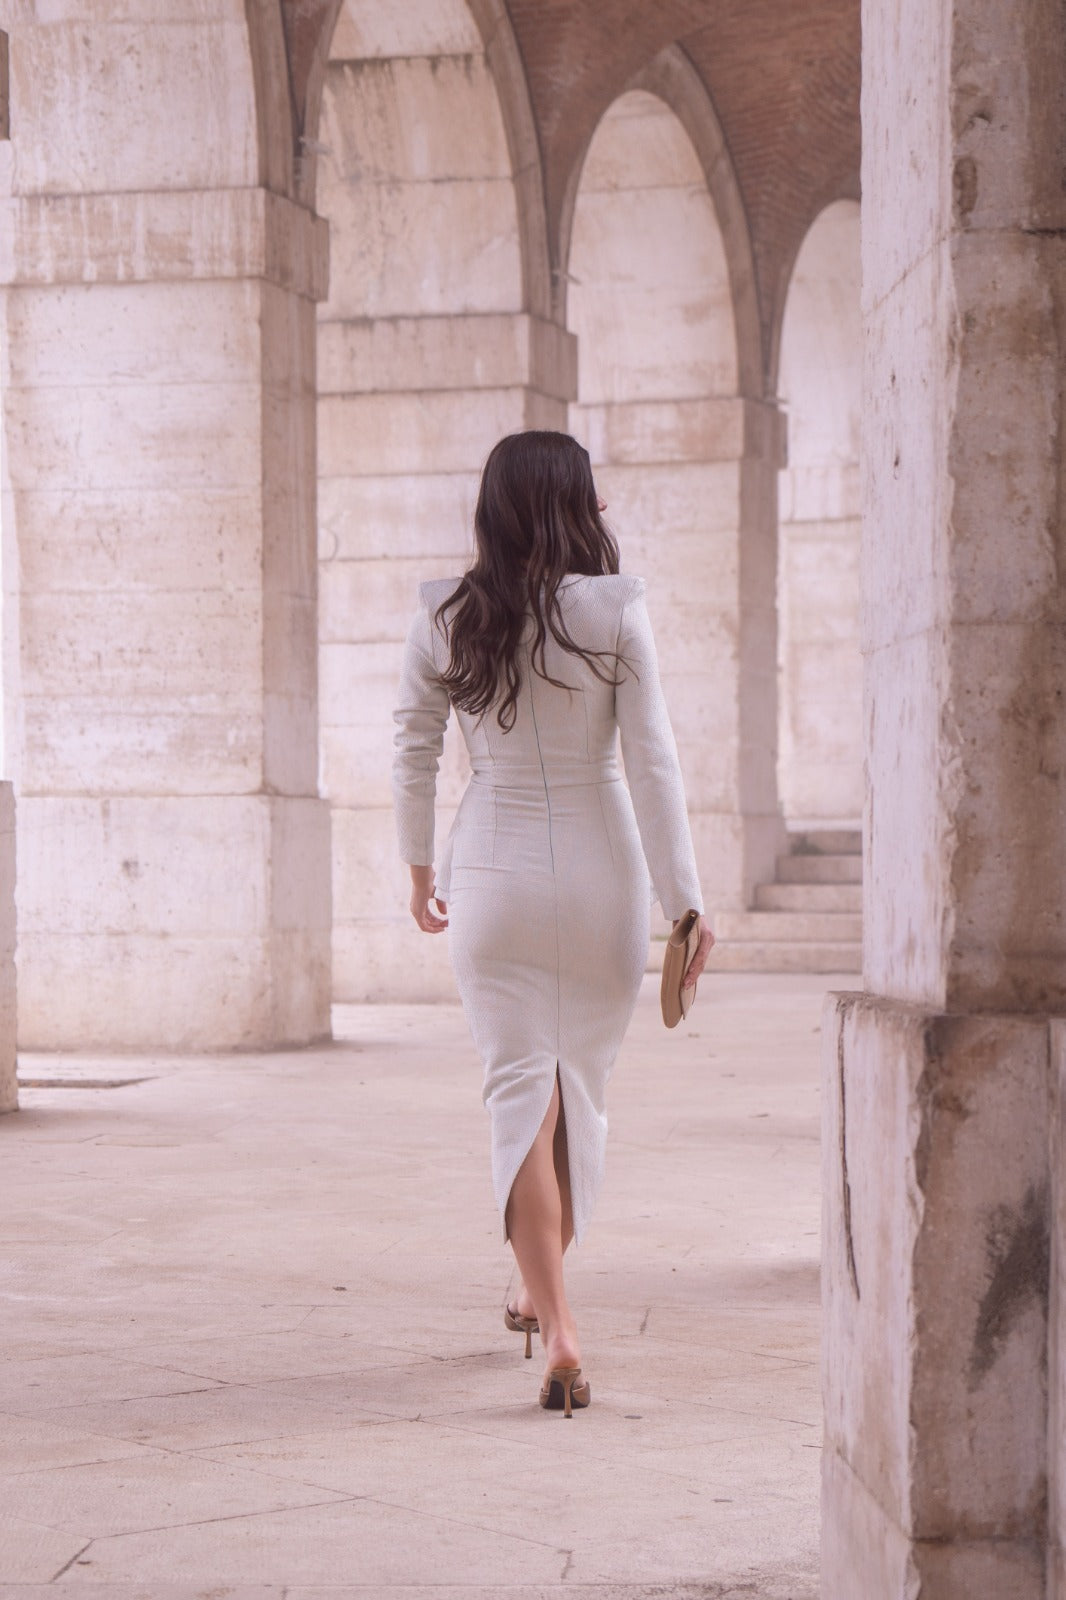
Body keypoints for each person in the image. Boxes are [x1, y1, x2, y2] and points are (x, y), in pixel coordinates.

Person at [392, 430, 713, 1416]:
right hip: (601, 874)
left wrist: (419, 870)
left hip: (492, 879)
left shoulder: (446, 614)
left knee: (519, 1098)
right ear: (579, 503)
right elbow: (653, 763)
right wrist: (685, 901)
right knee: (578, 1093)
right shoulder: (615, 608)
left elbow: (412, 750)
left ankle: (555, 1319)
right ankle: (546, 1297)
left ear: (492, 508)